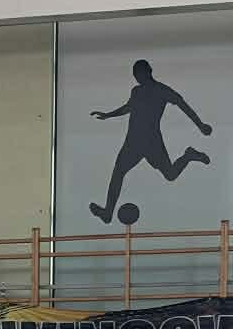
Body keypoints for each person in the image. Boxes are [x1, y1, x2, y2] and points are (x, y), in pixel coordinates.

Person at [90, 58, 211, 225]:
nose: (137, 78)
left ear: (148, 72)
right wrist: (108, 115)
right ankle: (108, 212)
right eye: (135, 75)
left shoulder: (162, 90)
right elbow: (128, 108)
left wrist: (200, 125)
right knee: (118, 172)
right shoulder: (136, 91)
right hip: (133, 141)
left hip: (151, 141)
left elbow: (183, 105)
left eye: (139, 74)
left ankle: (188, 156)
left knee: (170, 175)